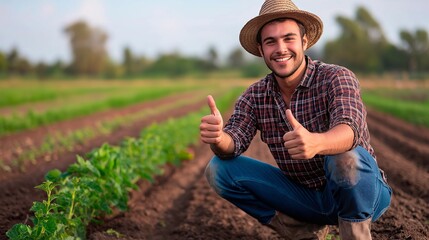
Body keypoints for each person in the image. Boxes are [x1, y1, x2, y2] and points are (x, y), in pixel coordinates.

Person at [199, 0, 392, 239]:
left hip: (365, 194)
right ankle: (303, 231)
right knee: (219, 169)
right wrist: (219, 138)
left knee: (346, 158)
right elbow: (233, 142)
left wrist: (316, 143)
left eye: (288, 38)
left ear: (304, 42)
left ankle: (355, 235)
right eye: (271, 42)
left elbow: (349, 128)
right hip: (306, 198)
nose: (280, 48)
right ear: (261, 50)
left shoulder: (336, 77)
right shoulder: (256, 95)